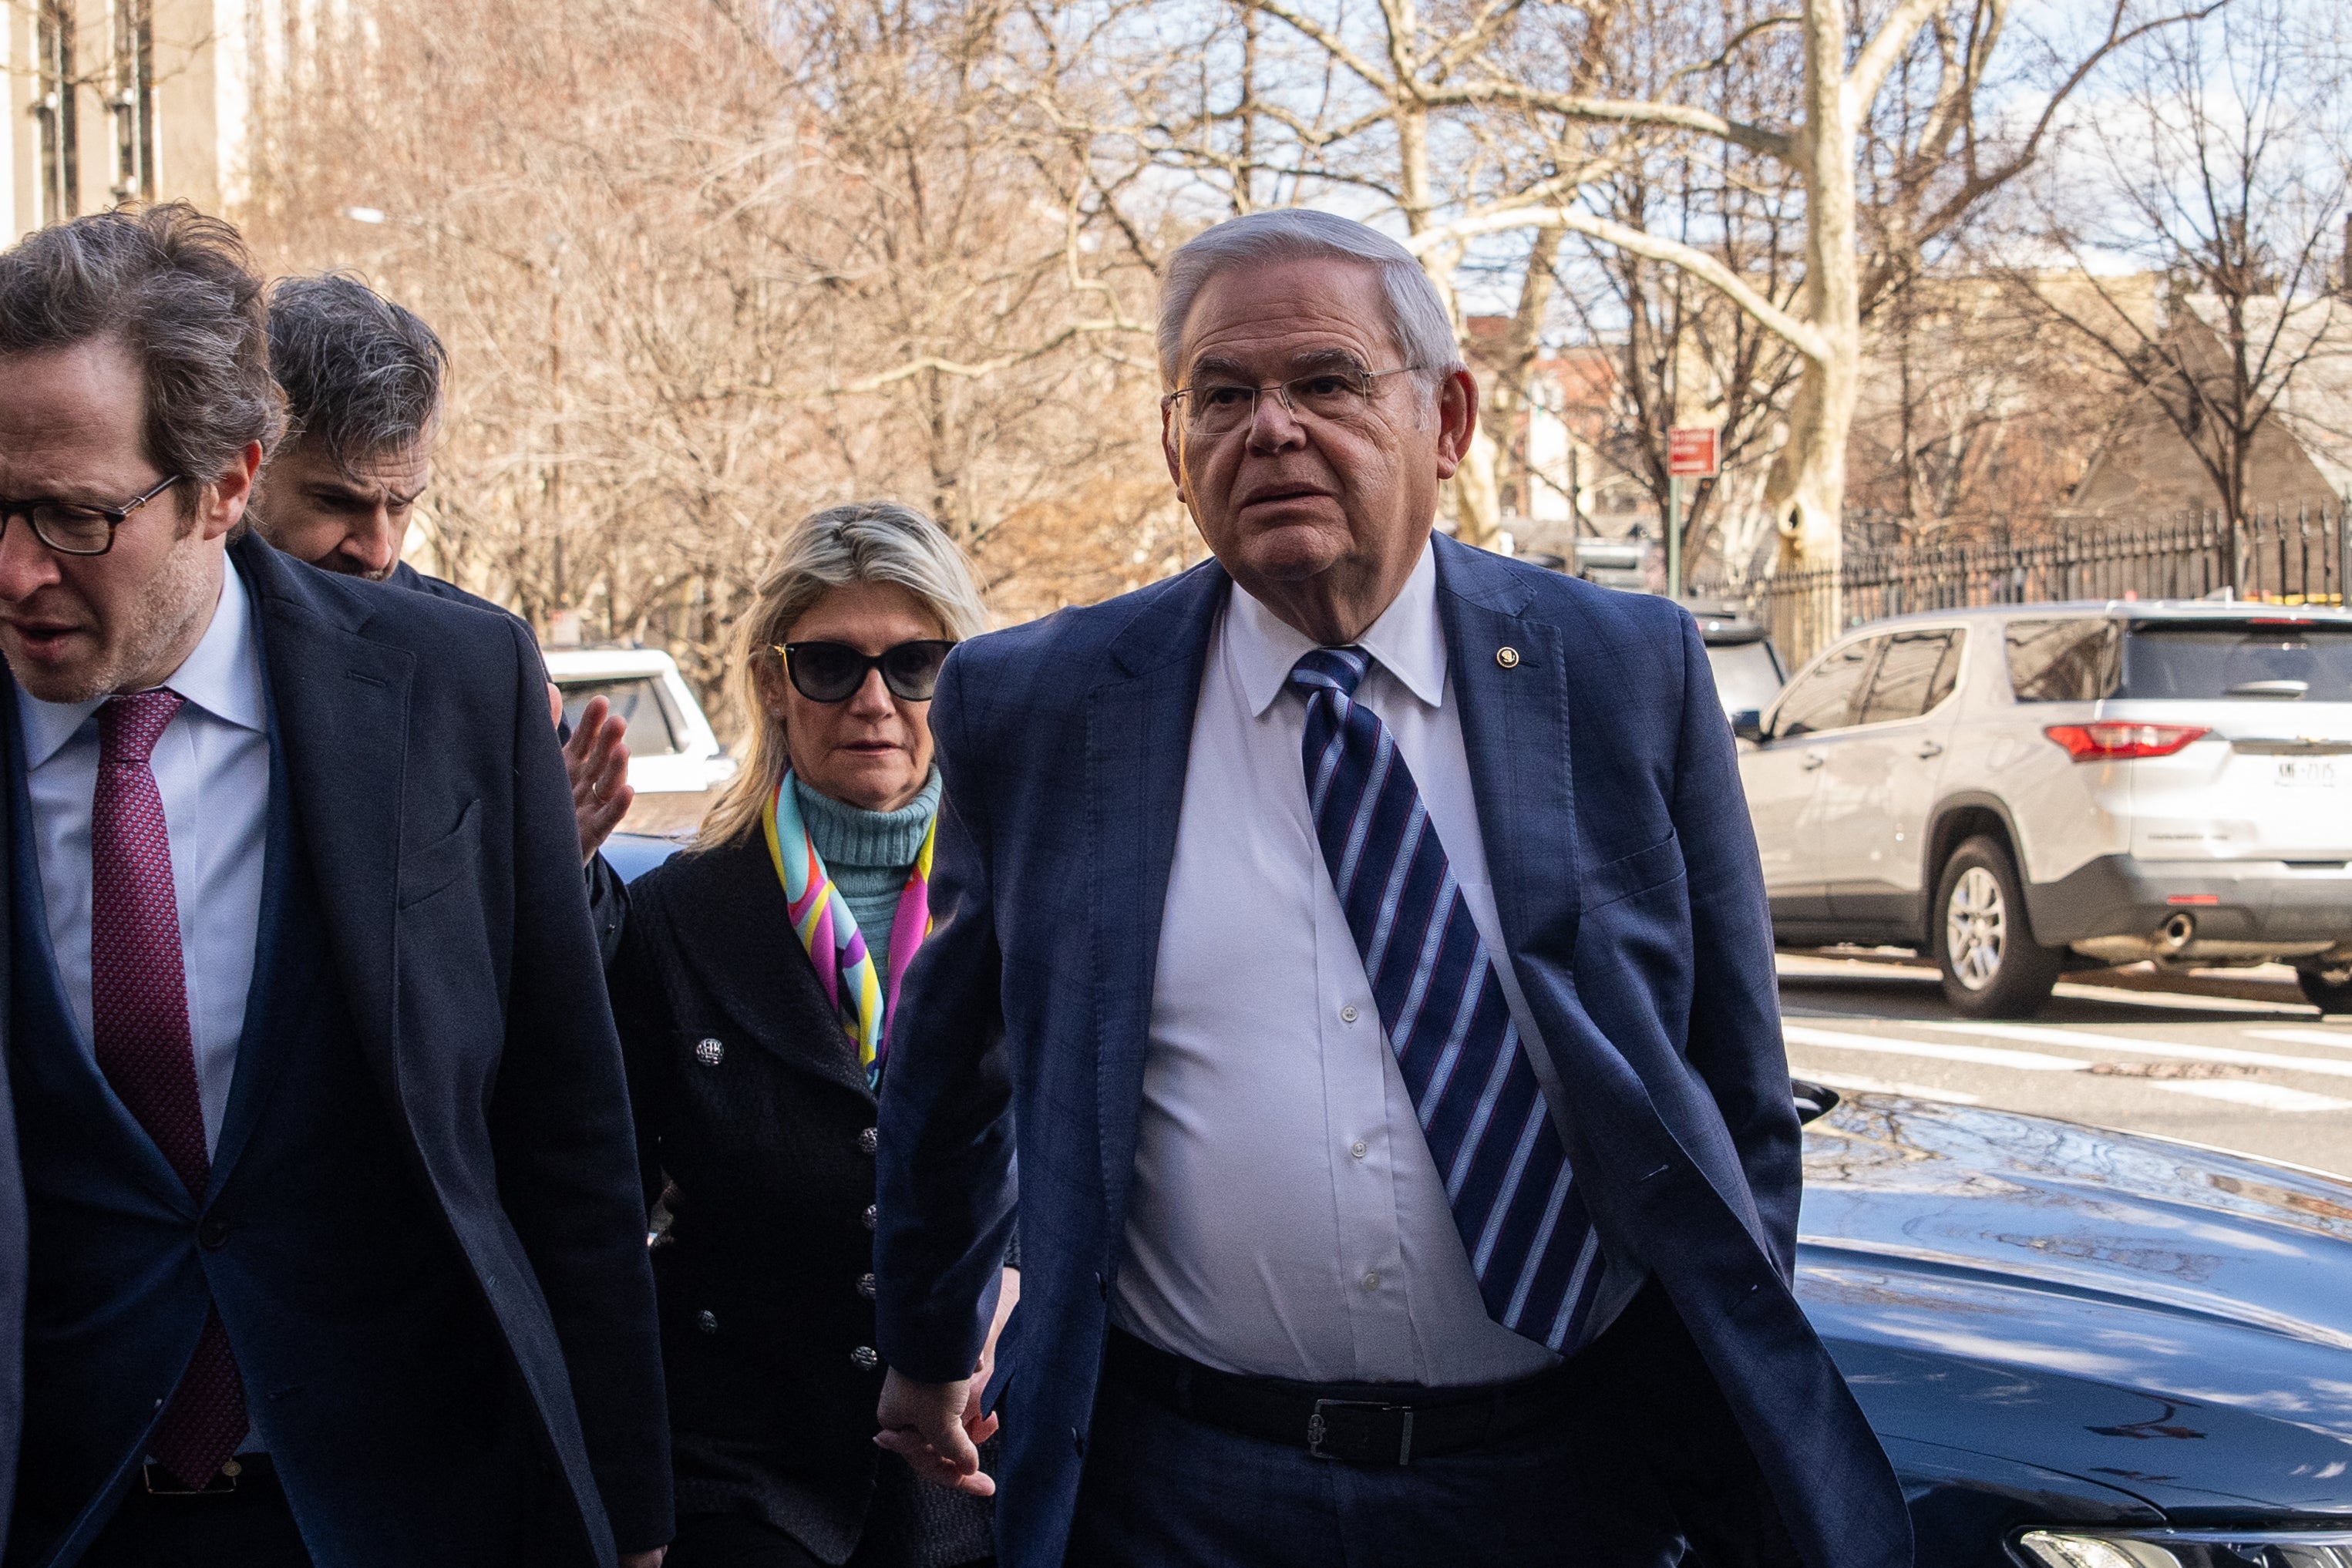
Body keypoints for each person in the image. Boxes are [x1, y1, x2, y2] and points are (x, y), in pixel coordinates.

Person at [870, 209, 1914, 1568]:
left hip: (1559, 1481)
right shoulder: (1044, 706)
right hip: (1179, 1487)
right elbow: (951, 1076)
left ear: (1449, 417)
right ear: (1173, 446)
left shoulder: (1622, 674)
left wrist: (1726, 1359)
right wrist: (926, 1338)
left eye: (1326, 381)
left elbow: (1732, 1079)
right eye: (1225, 396)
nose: (1273, 430)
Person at [0, 205, 670, 1566]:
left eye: (75, 518)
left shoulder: (454, 688)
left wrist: (627, 1512)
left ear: (226, 483)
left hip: (405, 1502)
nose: (16, 570)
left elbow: (564, 1126)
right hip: (58, 1504)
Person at [607, 501, 1010, 1568]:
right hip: (742, 1467)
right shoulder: (672, 917)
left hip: (980, 1462)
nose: (874, 699)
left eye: (915, 662)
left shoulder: (1032, 895)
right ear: (774, 685)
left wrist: (1009, 1285)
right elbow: (597, 1207)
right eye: (829, 665)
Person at [247, 273, 631, 948]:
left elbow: (588, 973)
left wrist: (552, 865)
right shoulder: (150, 644)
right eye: (335, 502)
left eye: (401, 505)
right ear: (240, 474)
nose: (378, 549)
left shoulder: (477, 661)